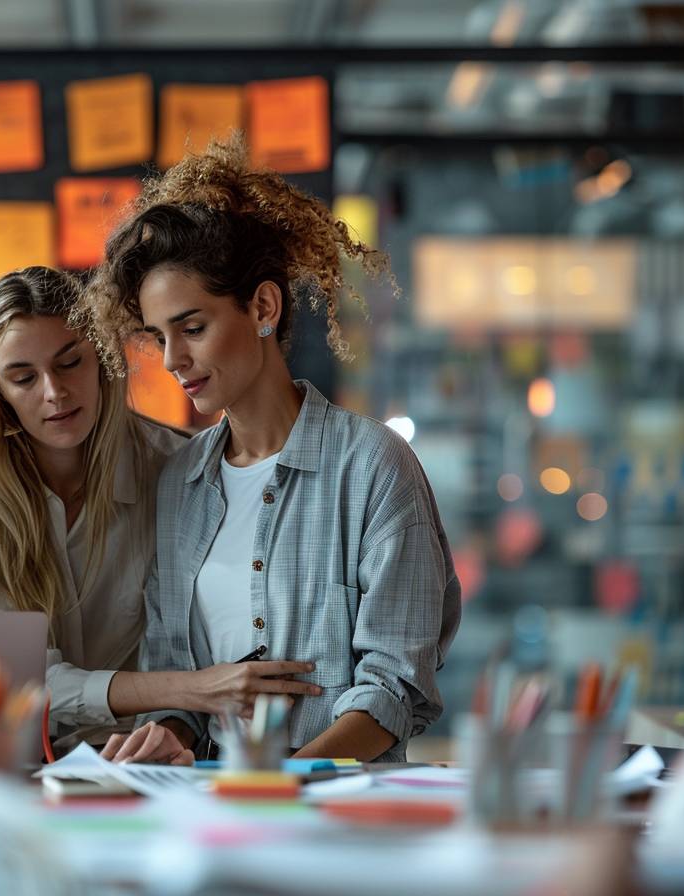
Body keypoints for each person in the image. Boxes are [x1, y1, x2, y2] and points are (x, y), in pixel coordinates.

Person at [80, 137, 462, 764]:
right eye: (159, 337)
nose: (172, 360)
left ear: (262, 306)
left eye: (192, 328)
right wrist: (171, 734)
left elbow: (392, 691)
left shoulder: (372, 466)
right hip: (210, 800)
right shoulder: (179, 482)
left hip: (335, 808)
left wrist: (278, 783)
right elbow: (181, 679)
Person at [0, 266, 320, 751]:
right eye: (23, 377)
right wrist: (192, 688)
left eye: (70, 362)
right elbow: (14, 677)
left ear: (101, 358)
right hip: (12, 754)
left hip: (146, 752)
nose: (54, 392)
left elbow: (193, 634)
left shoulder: (173, 467)